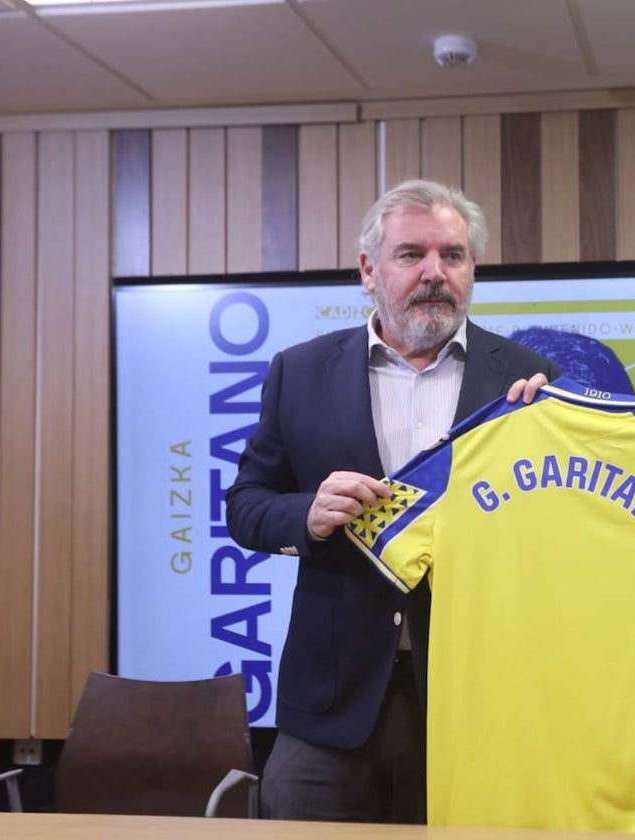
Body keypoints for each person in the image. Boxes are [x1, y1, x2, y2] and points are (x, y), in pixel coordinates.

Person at [225, 179, 559, 822]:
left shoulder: (529, 377)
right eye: (412, 255)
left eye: (453, 256)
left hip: (476, 704)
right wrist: (308, 516)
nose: (435, 273)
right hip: (327, 706)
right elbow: (246, 505)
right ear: (369, 270)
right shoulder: (299, 371)